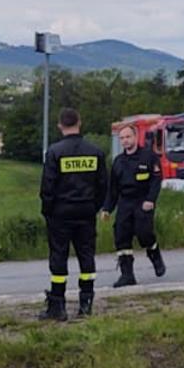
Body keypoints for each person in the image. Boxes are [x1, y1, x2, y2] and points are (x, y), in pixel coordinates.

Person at [39, 108, 110, 321]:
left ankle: (57, 306)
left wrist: (48, 211)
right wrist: (94, 206)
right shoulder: (95, 152)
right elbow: (103, 185)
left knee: (59, 257)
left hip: (60, 213)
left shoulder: (54, 152)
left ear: (60, 125)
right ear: (80, 122)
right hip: (86, 212)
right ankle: (86, 304)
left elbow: (47, 187)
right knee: (86, 256)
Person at [104, 125, 166, 287]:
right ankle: (127, 275)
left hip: (143, 201)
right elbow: (113, 189)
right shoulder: (118, 162)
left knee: (144, 233)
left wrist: (150, 200)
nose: (125, 141)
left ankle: (155, 256)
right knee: (121, 235)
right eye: (122, 138)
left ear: (135, 137)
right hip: (125, 202)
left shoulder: (149, 157)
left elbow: (156, 180)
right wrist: (107, 209)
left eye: (128, 137)